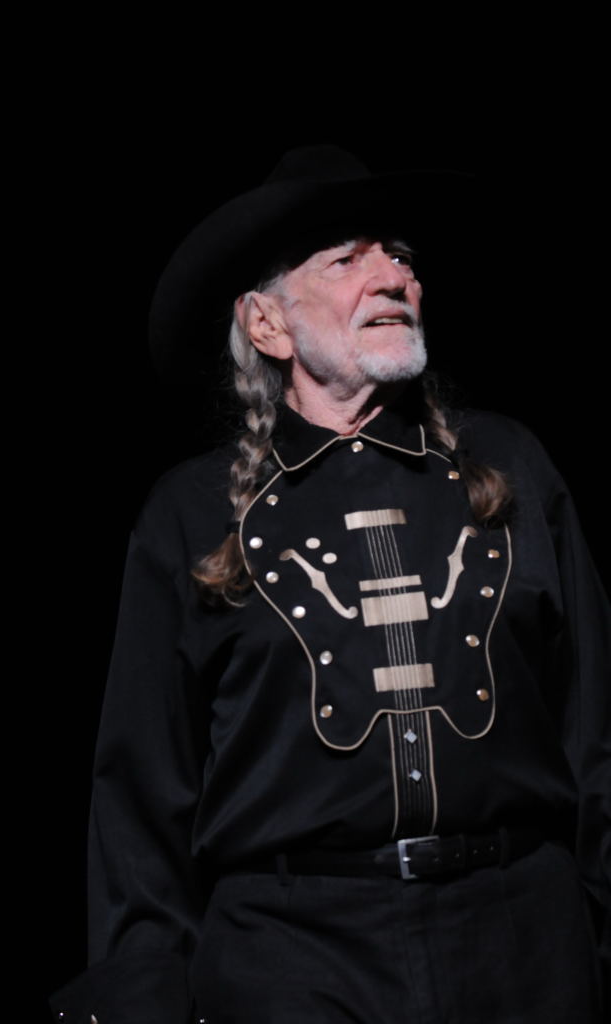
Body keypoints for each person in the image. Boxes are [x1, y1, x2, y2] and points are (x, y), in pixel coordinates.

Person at [52, 146, 610, 1023]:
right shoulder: (192, 512)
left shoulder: (511, 467)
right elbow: (139, 795)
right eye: (346, 259)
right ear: (267, 324)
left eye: (401, 256)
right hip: (292, 958)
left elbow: (595, 729)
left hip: (522, 946)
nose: (392, 276)